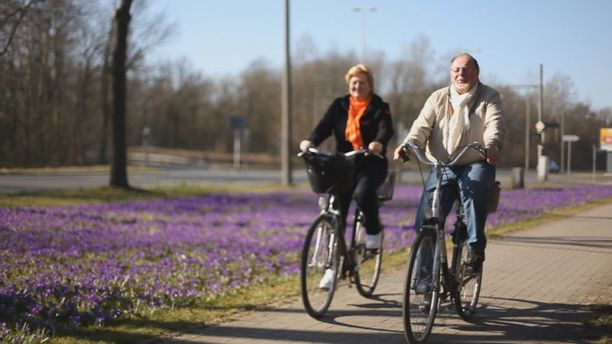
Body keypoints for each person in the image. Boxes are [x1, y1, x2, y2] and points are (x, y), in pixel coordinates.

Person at [393, 53, 505, 278]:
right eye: (456, 70)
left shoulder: (489, 96)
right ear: (450, 73)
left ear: (476, 72)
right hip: (443, 165)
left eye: (466, 69)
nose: (460, 74)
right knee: (426, 222)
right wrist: (408, 145)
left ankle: (474, 249)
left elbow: (495, 124)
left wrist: (492, 145)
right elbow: (421, 127)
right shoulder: (438, 97)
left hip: (475, 161)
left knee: (473, 192)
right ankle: (424, 283)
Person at [300, 64, 394, 288]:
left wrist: (379, 143)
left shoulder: (379, 105)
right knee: (336, 213)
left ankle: (373, 233)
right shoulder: (340, 105)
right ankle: (333, 268)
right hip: (344, 163)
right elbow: (324, 127)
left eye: (362, 82)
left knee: (363, 193)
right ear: (348, 84)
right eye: (354, 82)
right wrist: (310, 141)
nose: (357, 86)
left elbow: (386, 128)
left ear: (369, 84)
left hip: (371, 161)